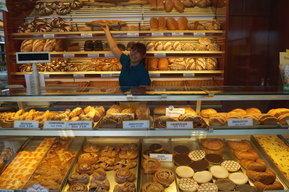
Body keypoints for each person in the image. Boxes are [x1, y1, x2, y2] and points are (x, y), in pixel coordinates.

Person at [102, 25, 151, 93]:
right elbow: (114, 48)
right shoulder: (126, 60)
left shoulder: (143, 72)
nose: (134, 54)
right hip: (122, 99)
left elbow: (143, 92)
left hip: (134, 102)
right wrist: (107, 31)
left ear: (143, 56)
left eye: (138, 52)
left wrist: (125, 92)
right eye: (133, 50)